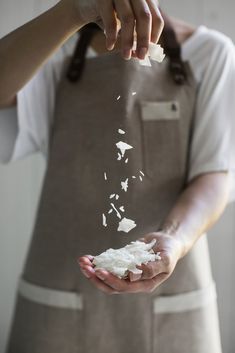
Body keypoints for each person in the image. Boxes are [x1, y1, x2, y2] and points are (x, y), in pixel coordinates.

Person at [0, 0, 235, 352]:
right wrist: (73, 11)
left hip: (173, 309)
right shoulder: (52, 54)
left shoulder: (209, 53)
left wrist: (174, 238)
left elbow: (216, 173)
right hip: (59, 303)